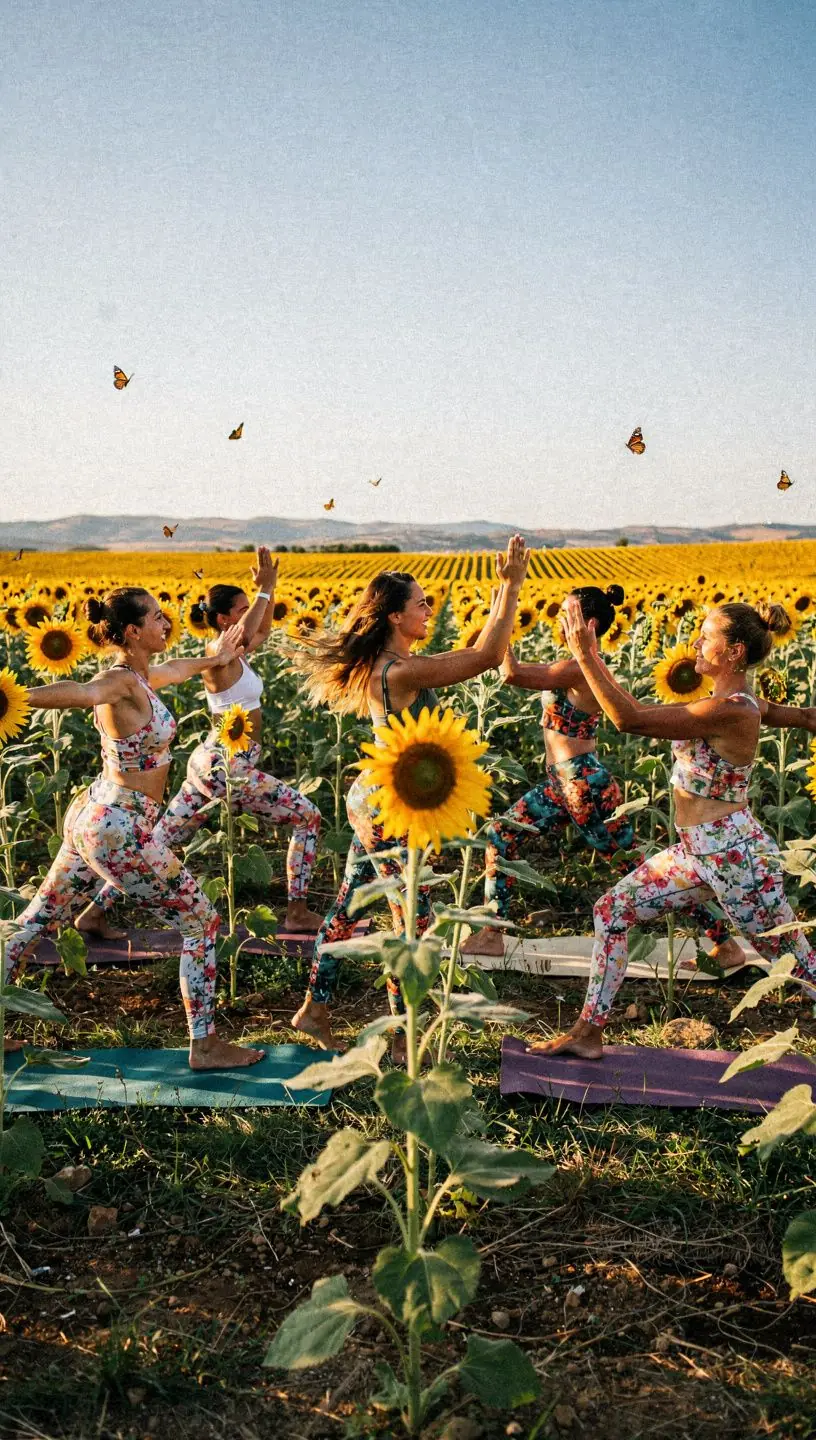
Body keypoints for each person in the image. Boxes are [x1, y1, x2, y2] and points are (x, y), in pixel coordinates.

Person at [528, 596, 816, 1058]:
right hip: (692, 852)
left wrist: (586, 654)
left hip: (735, 856)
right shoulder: (726, 703)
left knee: (798, 964)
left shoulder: (735, 709)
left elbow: (630, 719)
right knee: (611, 912)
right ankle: (587, 1032)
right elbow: (803, 717)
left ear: (734, 652)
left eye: (707, 636)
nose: (696, 642)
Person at [290, 535, 531, 1059]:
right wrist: (510, 587)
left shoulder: (387, 663)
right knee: (411, 924)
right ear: (395, 617)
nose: (429, 609)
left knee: (353, 904)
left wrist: (498, 598)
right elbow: (487, 656)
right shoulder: (399, 671)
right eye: (421, 603)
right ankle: (402, 1041)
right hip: (390, 807)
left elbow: (478, 650)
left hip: (370, 797)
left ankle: (315, 1008)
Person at [5, 587, 265, 1070]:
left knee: (36, 922)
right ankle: (205, 1046)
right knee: (203, 921)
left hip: (95, 814)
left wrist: (220, 656)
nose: (166, 622)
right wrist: (13, 697)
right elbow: (84, 693)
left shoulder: (143, 677)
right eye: (157, 617)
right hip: (119, 829)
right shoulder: (118, 681)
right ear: (132, 631)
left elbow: (183, 667)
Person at [461, 585, 741, 968]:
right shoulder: (578, 664)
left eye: (567, 613)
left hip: (583, 785)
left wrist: (500, 620)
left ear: (588, 623)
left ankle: (725, 943)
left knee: (638, 867)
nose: (559, 620)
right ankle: (493, 932)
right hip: (562, 784)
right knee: (501, 833)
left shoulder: (580, 665)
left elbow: (511, 673)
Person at [78, 548, 323, 939]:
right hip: (230, 767)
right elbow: (249, 630)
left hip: (212, 762)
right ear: (224, 619)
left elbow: (260, 632)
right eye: (240, 609)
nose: (249, 615)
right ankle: (297, 911)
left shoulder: (236, 653)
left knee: (158, 840)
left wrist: (267, 592)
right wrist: (265, 592)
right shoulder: (217, 653)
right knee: (307, 818)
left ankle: (93, 913)